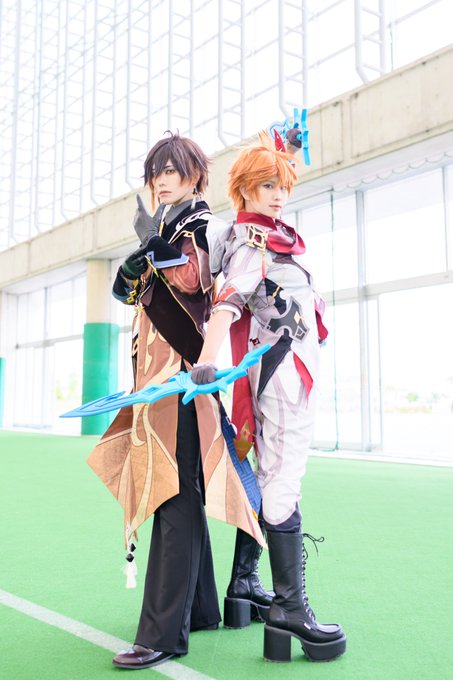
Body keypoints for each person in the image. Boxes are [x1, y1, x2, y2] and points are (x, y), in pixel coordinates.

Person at [87, 132, 270, 671]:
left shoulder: (202, 224)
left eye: (171, 170)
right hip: (157, 380)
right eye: (156, 172)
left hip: (183, 380)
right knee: (178, 491)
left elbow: (192, 281)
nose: (161, 180)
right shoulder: (170, 227)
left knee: (174, 494)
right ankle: (200, 609)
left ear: (195, 175)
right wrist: (136, 264)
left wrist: (153, 249)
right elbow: (131, 293)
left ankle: (162, 632)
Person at [191, 130, 347, 663]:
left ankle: (249, 586)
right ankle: (289, 609)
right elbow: (228, 302)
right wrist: (208, 357)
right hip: (282, 378)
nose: (279, 196)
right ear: (244, 190)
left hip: (287, 373)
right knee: (283, 481)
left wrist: (287, 154)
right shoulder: (253, 243)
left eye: (283, 186)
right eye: (267, 187)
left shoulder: (263, 236)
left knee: (273, 475)